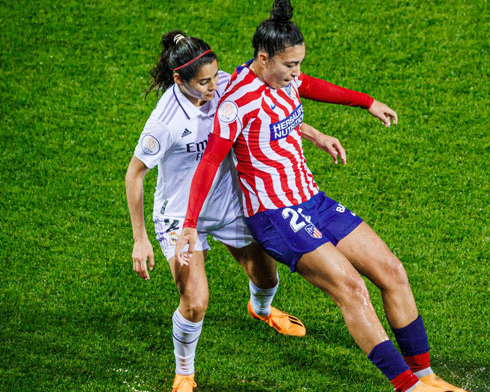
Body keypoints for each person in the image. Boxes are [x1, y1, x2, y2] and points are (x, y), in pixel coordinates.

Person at [175, 1, 467, 391]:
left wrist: (365, 102)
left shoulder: (285, 80)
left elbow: (311, 88)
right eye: (290, 65)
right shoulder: (235, 104)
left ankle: (426, 376)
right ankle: (407, 387)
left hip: (312, 199)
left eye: (299, 64)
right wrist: (190, 225)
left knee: (393, 271)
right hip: (273, 213)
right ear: (263, 59)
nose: (297, 74)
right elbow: (210, 161)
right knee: (351, 287)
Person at [125, 30, 347, 392]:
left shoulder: (226, 86)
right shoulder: (164, 122)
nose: (214, 87)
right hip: (181, 218)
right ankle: (184, 371)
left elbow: (260, 113)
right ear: (179, 79)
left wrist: (313, 134)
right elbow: (134, 176)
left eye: (215, 76)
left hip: (231, 205)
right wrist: (140, 240)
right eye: (203, 82)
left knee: (267, 279)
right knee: (195, 302)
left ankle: (260, 310)